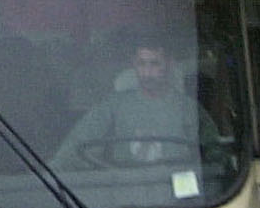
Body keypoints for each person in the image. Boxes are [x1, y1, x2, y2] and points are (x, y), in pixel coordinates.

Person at [51, 38, 220, 169]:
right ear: (134, 64)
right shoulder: (112, 107)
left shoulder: (188, 109)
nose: (147, 73)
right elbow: (76, 148)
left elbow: (216, 156)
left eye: (155, 64)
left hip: (176, 194)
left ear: (169, 64)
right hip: (125, 191)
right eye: (142, 64)